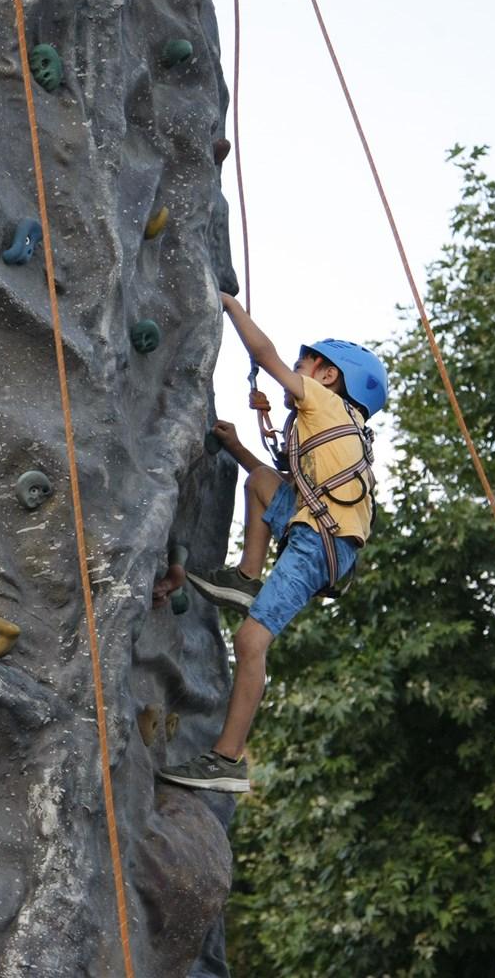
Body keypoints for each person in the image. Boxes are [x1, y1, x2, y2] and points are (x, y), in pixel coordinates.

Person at [157, 292, 388, 793]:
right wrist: (239, 444)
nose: (298, 369)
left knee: (251, 641)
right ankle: (245, 577)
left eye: (308, 363)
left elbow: (265, 355)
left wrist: (229, 307)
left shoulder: (322, 402)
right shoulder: (325, 425)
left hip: (319, 543)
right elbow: (285, 484)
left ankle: (228, 758)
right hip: (314, 526)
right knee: (261, 481)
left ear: (327, 375)